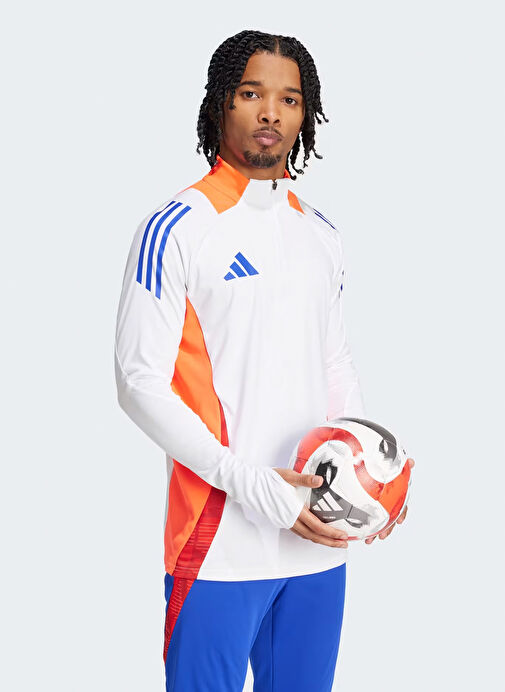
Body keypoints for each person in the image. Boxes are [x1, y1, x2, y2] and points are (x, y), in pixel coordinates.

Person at [114, 28, 412, 692]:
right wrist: (249, 484)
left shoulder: (319, 233)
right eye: (251, 93)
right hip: (218, 545)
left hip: (315, 545)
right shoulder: (177, 228)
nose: (271, 112)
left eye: (289, 99)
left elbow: (333, 362)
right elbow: (138, 382)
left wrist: (374, 471)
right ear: (221, 102)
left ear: (306, 114)